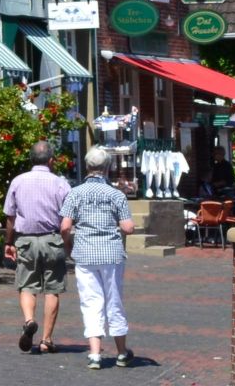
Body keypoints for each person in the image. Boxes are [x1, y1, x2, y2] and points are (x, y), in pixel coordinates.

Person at [61, 145, 137, 369]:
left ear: (87, 166)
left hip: (85, 253)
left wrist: (69, 243)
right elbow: (129, 227)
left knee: (91, 301)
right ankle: (121, 352)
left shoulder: (75, 193)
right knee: (114, 301)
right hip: (111, 253)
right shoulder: (116, 195)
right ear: (107, 168)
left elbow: (65, 226)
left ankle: (95, 354)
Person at [3, 139, 71, 354]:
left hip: (26, 240)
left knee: (27, 285)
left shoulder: (18, 181)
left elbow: (10, 216)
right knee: (52, 289)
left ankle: (29, 319)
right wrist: (67, 243)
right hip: (52, 239)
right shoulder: (61, 183)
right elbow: (68, 218)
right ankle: (46, 340)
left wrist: (8, 242)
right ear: (51, 160)